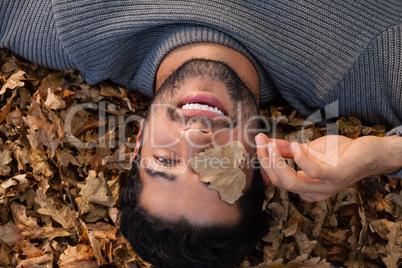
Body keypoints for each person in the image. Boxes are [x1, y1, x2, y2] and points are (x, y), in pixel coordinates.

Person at [1, 0, 401, 267]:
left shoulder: (66, 25)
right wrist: (382, 155)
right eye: (215, 170)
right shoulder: (367, 67)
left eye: (165, 160)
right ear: (259, 163)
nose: (194, 138)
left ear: (138, 140)